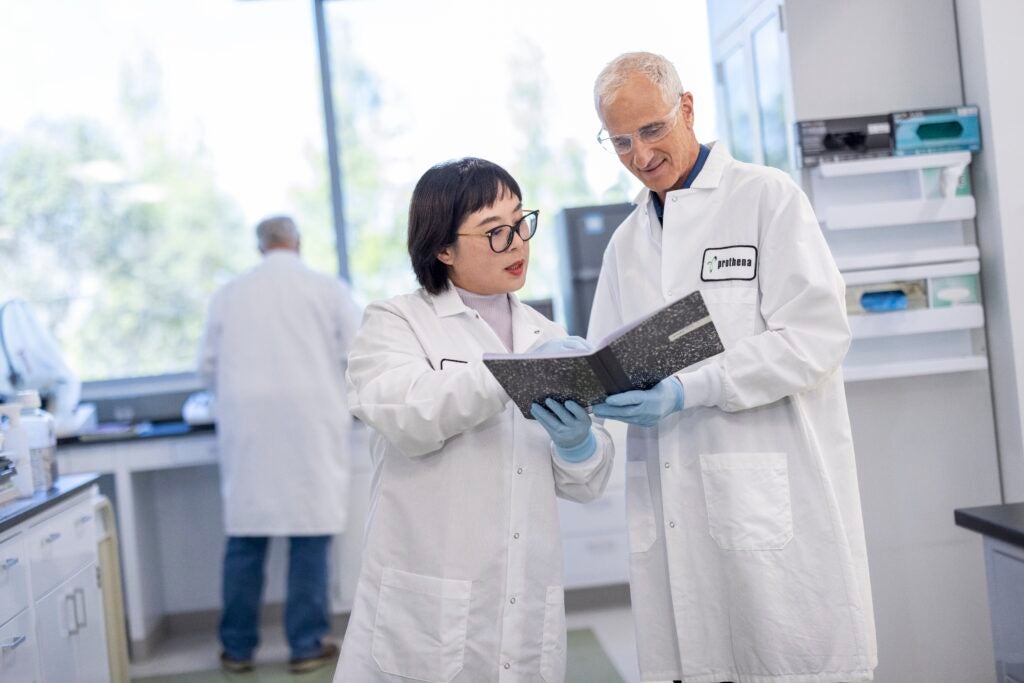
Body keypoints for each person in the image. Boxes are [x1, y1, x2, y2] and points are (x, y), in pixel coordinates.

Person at [587, 52, 877, 683]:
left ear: (687, 109)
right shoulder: (626, 244)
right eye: (621, 142)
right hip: (671, 510)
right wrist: (583, 401)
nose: (641, 156)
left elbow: (816, 335)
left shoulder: (765, 199)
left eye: (653, 130)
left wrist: (694, 388)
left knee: (784, 657)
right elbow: (604, 360)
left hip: (772, 507)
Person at [333, 157, 615, 682]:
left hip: (524, 598)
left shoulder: (544, 330)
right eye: (494, 232)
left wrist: (578, 447)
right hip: (428, 607)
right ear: (442, 247)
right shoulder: (396, 322)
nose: (517, 244)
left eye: (519, 222)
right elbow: (410, 415)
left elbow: (588, 481)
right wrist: (513, 376)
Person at [198, 215, 362, 674]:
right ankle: (307, 646)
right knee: (310, 536)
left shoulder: (229, 294)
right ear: (298, 242)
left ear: (259, 247)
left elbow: (206, 367)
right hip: (311, 423)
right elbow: (359, 355)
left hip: (248, 428)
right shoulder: (327, 289)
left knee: (246, 538)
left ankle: (236, 649)